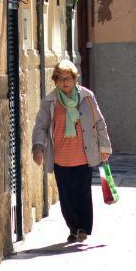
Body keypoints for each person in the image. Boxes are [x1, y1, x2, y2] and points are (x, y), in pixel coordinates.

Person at [31, 59, 112, 244]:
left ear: (75, 79)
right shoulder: (49, 101)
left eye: (68, 78)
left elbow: (99, 122)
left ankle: (83, 227)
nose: (65, 82)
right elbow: (40, 126)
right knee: (66, 197)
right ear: (55, 81)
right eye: (60, 79)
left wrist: (104, 147)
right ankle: (73, 228)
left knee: (83, 193)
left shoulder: (86, 97)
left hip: (83, 155)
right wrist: (38, 146)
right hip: (60, 157)